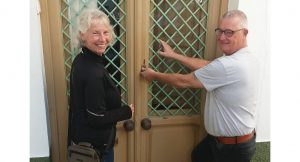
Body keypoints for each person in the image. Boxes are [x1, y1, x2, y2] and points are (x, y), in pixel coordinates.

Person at [140, 10, 259, 162]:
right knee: (198, 155)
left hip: (232, 150)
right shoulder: (246, 58)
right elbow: (210, 66)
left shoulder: (231, 64)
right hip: (225, 142)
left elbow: (185, 81)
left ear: (245, 33)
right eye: (220, 31)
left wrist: (153, 75)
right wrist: (174, 55)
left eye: (229, 32)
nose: (222, 37)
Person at [67, 8, 134, 162]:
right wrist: (126, 111)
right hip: (95, 150)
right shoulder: (93, 72)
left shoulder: (81, 59)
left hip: (83, 141)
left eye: (106, 32)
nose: (103, 39)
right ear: (83, 35)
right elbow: (96, 118)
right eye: (96, 33)